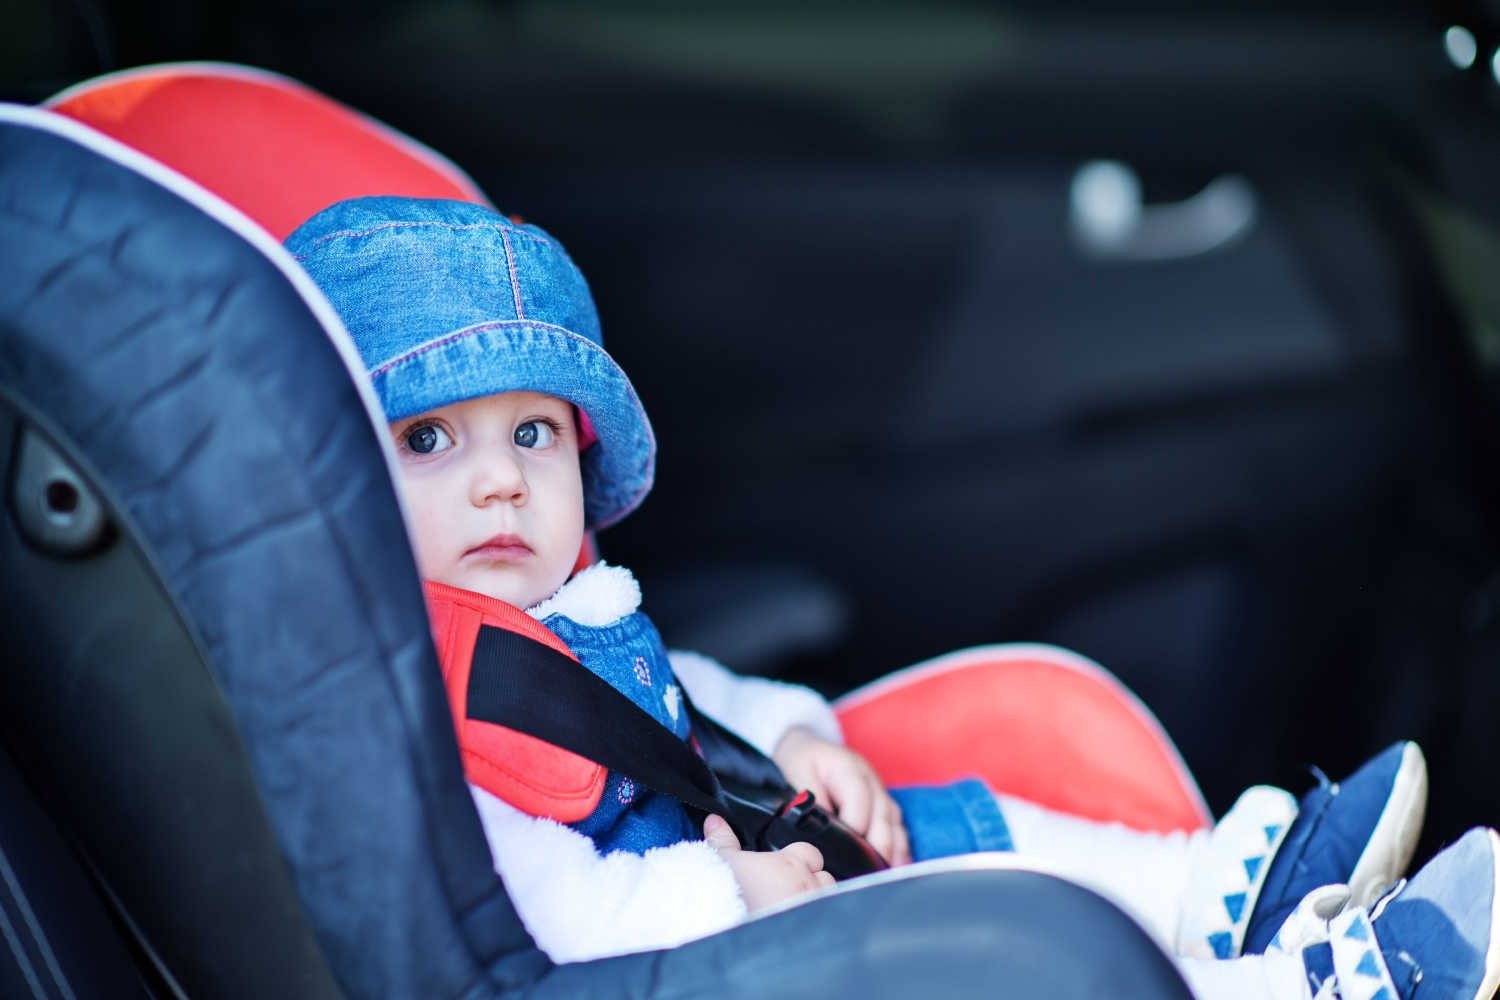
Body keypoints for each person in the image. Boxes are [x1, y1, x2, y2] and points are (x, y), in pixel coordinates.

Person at [285, 195, 1500, 1000]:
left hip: (764, 862)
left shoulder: (574, 610)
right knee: (990, 941)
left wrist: (800, 731)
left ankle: (1213, 883)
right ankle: (1311, 983)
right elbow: (544, 917)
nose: (500, 477)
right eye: (430, 437)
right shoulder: (412, 708)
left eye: (535, 433)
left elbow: (694, 700)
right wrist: (729, 896)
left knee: (961, 821)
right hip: (708, 948)